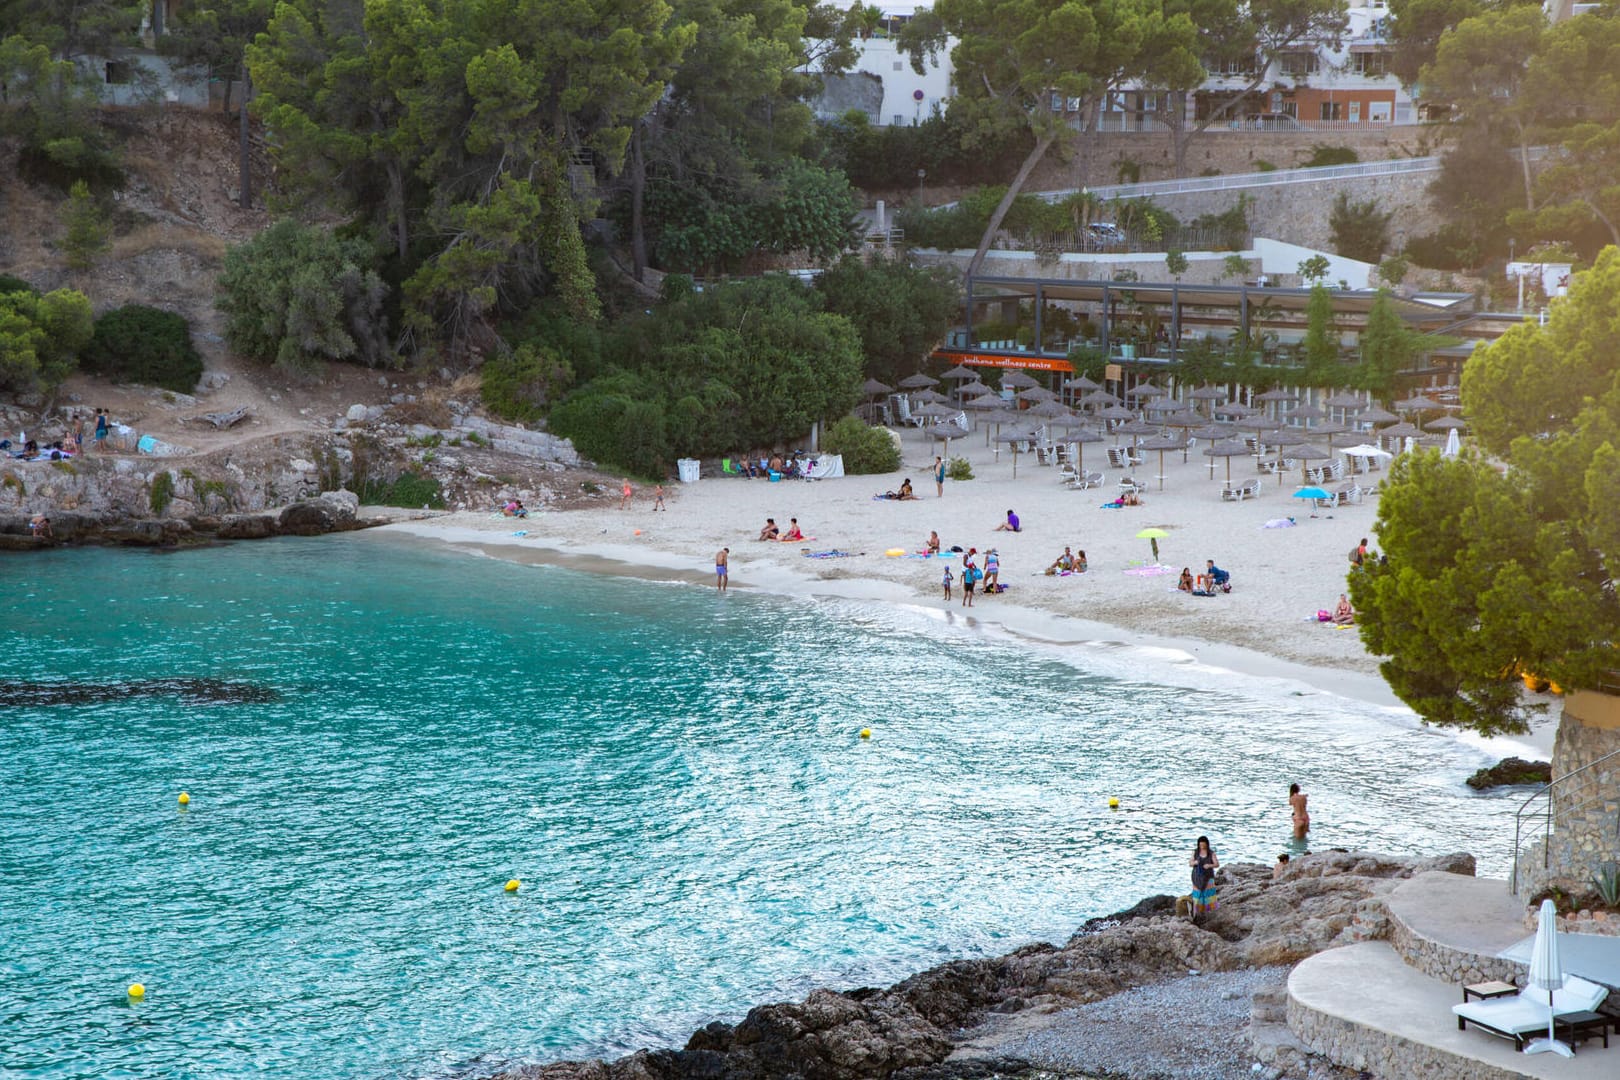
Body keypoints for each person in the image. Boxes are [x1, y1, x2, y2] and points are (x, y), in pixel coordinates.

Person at [1189, 836, 1220, 918]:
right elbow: (1190, 863)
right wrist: (1195, 862)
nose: (1202, 847)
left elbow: (1217, 864)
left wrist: (1209, 865)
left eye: (1203, 845)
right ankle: (1196, 912)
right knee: (1197, 895)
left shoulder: (1211, 853)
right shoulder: (1195, 852)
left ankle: (1208, 912)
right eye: (1200, 845)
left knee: (1208, 895)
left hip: (1208, 877)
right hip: (1197, 877)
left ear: (1207, 844)